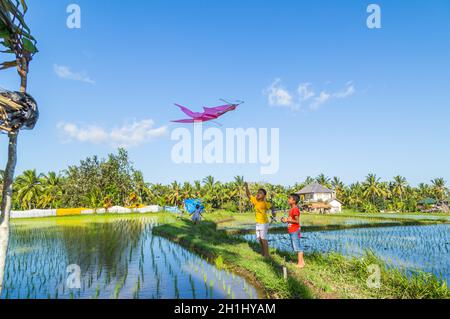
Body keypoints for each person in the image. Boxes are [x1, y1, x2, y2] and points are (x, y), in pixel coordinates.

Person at [244, 182, 275, 257]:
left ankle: (267, 255)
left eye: (260, 193)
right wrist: (246, 187)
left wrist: (274, 215)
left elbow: (272, 207)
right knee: (259, 239)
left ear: (264, 196)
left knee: (263, 239)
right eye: (258, 192)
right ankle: (262, 253)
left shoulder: (265, 203)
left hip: (264, 223)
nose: (258, 194)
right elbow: (248, 195)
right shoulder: (255, 200)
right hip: (258, 223)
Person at [281, 194, 305, 268]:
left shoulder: (295, 209)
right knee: (296, 245)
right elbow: (291, 219)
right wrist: (285, 220)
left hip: (295, 230)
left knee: (297, 247)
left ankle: (300, 264)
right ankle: (302, 262)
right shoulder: (291, 209)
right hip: (292, 230)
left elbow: (297, 221)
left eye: (289, 198)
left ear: (294, 201)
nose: (288, 199)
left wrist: (288, 220)